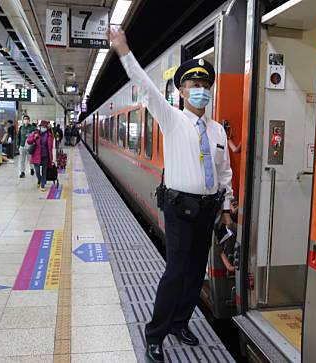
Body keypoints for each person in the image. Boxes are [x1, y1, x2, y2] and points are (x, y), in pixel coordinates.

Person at [110, 27, 233, 362]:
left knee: (196, 273)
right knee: (176, 271)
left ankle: (180, 323)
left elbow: (224, 174)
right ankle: (155, 334)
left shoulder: (217, 130)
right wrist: (123, 50)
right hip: (180, 208)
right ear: (181, 91)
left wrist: (226, 208)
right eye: (194, 86)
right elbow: (147, 88)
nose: (201, 92)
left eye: (206, 86)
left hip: (208, 209)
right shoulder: (172, 120)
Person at [27, 120, 54, 192]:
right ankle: (40, 179)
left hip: (45, 155)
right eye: (42, 126)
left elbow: (50, 146)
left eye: (45, 127)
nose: (43, 128)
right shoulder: (35, 133)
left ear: (47, 127)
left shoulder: (49, 134)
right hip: (36, 155)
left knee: (44, 171)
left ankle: (42, 185)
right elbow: (29, 141)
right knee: (37, 171)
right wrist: (34, 138)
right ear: (39, 127)